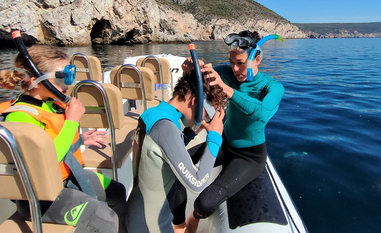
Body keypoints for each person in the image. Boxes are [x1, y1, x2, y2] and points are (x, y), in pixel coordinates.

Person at [0, 45, 126, 233]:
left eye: (70, 76)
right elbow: (47, 161)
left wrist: (80, 140)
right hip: (41, 199)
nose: (67, 84)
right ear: (36, 81)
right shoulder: (20, 117)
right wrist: (72, 122)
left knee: (116, 192)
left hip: (65, 180)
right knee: (105, 219)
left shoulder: (49, 106)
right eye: (62, 77)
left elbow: (55, 144)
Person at [177, 30, 285, 232]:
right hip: (223, 144)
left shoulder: (273, 87)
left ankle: (192, 221)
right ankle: (178, 224)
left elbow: (261, 113)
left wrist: (227, 90)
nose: (234, 69)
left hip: (249, 157)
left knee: (204, 203)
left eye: (240, 63)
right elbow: (202, 77)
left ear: (257, 59)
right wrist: (192, 70)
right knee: (174, 167)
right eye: (231, 62)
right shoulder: (226, 72)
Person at [124, 70, 227, 233]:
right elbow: (196, 182)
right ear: (194, 100)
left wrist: (192, 132)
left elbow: (164, 150)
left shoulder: (156, 114)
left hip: (139, 213)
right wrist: (214, 138)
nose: (206, 120)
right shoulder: (166, 128)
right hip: (151, 225)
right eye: (208, 115)